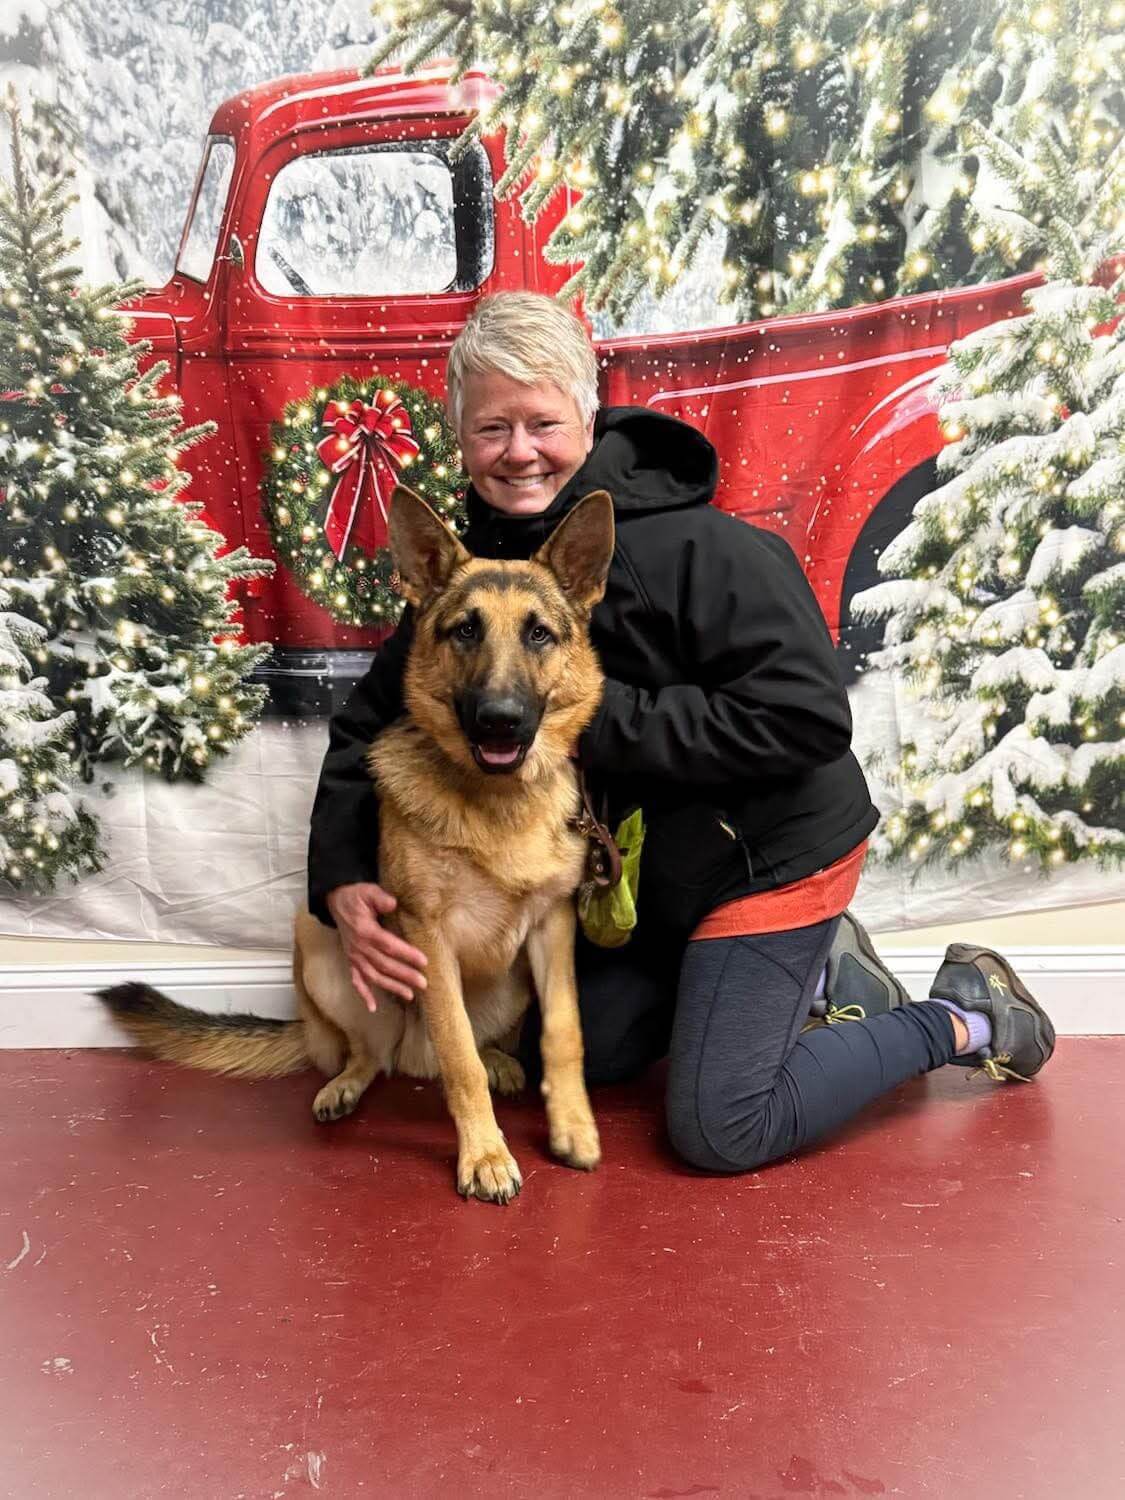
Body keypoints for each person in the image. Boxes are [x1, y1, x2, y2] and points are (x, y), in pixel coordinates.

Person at [306, 291, 1055, 1175]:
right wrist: (342, 877)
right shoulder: (474, 579)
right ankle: (823, 975)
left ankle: (965, 1014)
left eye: (542, 423)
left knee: (720, 1129)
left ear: (586, 419)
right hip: (656, 874)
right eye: (490, 429)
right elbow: (370, 722)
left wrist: (592, 718)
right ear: (461, 440)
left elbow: (808, 717)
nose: (518, 451)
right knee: (584, 1051)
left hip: (770, 851)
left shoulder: (703, 548)